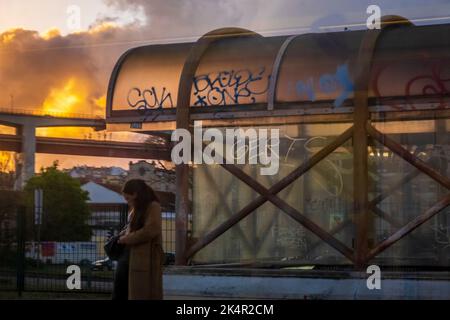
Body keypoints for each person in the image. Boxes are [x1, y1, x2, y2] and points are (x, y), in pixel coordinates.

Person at [112, 179, 164, 300]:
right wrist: (121, 236)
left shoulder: (153, 206)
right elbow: (130, 228)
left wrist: (126, 239)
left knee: (138, 291)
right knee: (120, 291)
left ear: (135, 194)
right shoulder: (136, 209)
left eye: (128, 198)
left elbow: (151, 230)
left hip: (143, 258)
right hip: (128, 256)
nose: (128, 202)